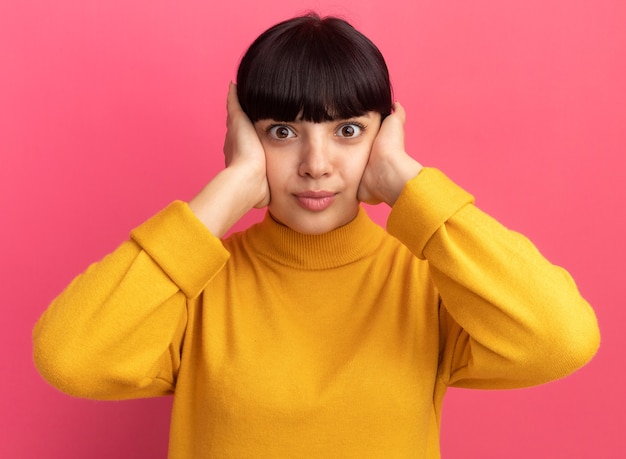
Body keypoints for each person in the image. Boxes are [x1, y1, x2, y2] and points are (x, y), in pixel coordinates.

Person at [33, 13, 600, 458]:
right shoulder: (193, 283)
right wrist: (227, 192)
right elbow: (69, 358)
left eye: (347, 131)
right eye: (283, 132)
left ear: (384, 136)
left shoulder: (433, 280)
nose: (316, 164)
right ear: (244, 139)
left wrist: (410, 185)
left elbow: (561, 339)